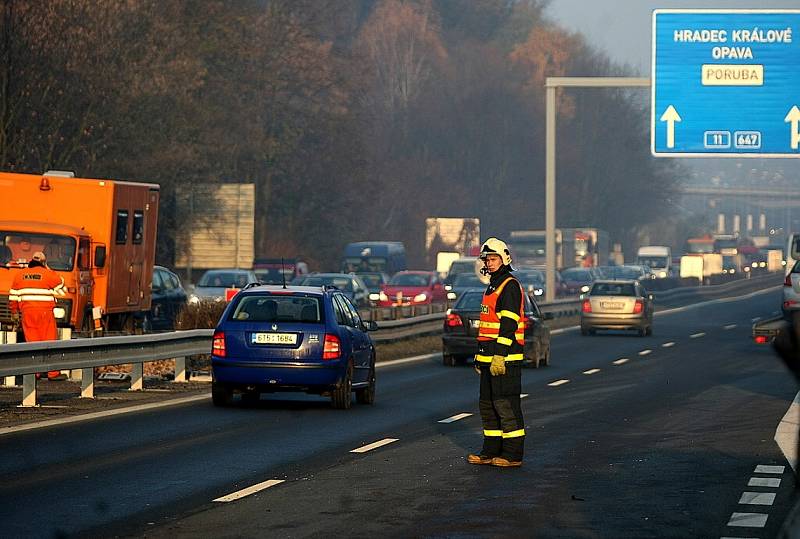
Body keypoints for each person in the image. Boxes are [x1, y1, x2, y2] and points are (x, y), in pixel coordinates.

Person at [467, 237, 526, 468]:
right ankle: (490, 451)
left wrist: (500, 355)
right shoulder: (492, 285)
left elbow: (508, 325)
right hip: (488, 359)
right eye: (487, 259)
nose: (489, 263)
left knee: (506, 405)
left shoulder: (509, 285)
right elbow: (487, 327)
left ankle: (513, 454)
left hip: (505, 359)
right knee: (488, 406)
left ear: (505, 259)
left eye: (493, 259)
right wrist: (480, 358)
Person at [8, 251, 66, 380]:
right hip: (45, 313)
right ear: (43, 262)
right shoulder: (47, 274)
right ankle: (53, 373)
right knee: (50, 341)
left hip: (27, 312)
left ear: (31, 261)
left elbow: (13, 296)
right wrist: (48, 268)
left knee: (32, 342)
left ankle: (35, 373)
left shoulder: (19, 275)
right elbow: (61, 283)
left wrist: (14, 312)